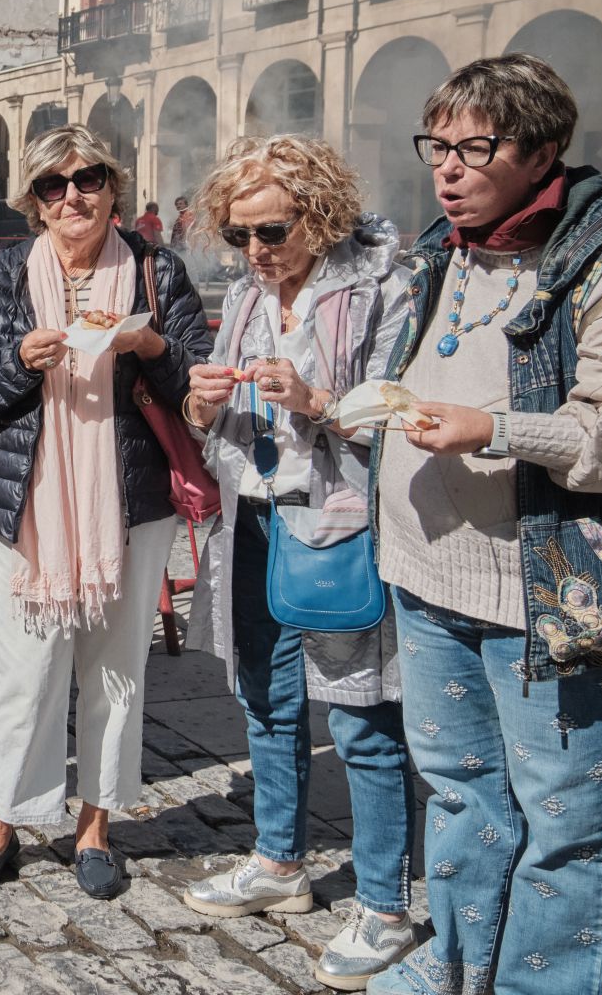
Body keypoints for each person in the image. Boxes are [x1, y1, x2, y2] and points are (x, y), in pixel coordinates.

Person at [366, 54, 602, 995]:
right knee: (461, 792)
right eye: (437, 145)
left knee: (571, 822)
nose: (446, 167)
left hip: (546, 597)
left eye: (474, 147)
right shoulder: (443, 252)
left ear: (542, 152)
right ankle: (458, 960)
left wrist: (501, 430)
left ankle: (548, 984)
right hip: (430, 579)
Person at [0, 125, 210, 900]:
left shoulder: (157, 269)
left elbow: (194, 388)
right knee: (22, 670)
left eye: (87, 179)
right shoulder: (6, 276)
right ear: (35, 202)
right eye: (54, 187)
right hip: (31, 503)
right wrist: (17, 362)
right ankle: (2, 820)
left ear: (113, 186)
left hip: (129, 503)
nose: (73, 198)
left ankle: (96, 825)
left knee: (117, 671)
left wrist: (153, 348)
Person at [178, 136, 416, 990]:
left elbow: (399, 410)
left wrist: (314, 402)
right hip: (254, 516)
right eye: (240, 234)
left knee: (361, 718)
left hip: (341, 521)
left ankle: (385, 903)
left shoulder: (383, 286)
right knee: (267, 701)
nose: (255, 251)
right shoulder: (246, 292)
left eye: (271, 231)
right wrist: (201, 403)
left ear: (317, 212)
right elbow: (218, 419)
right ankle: (281, 864)